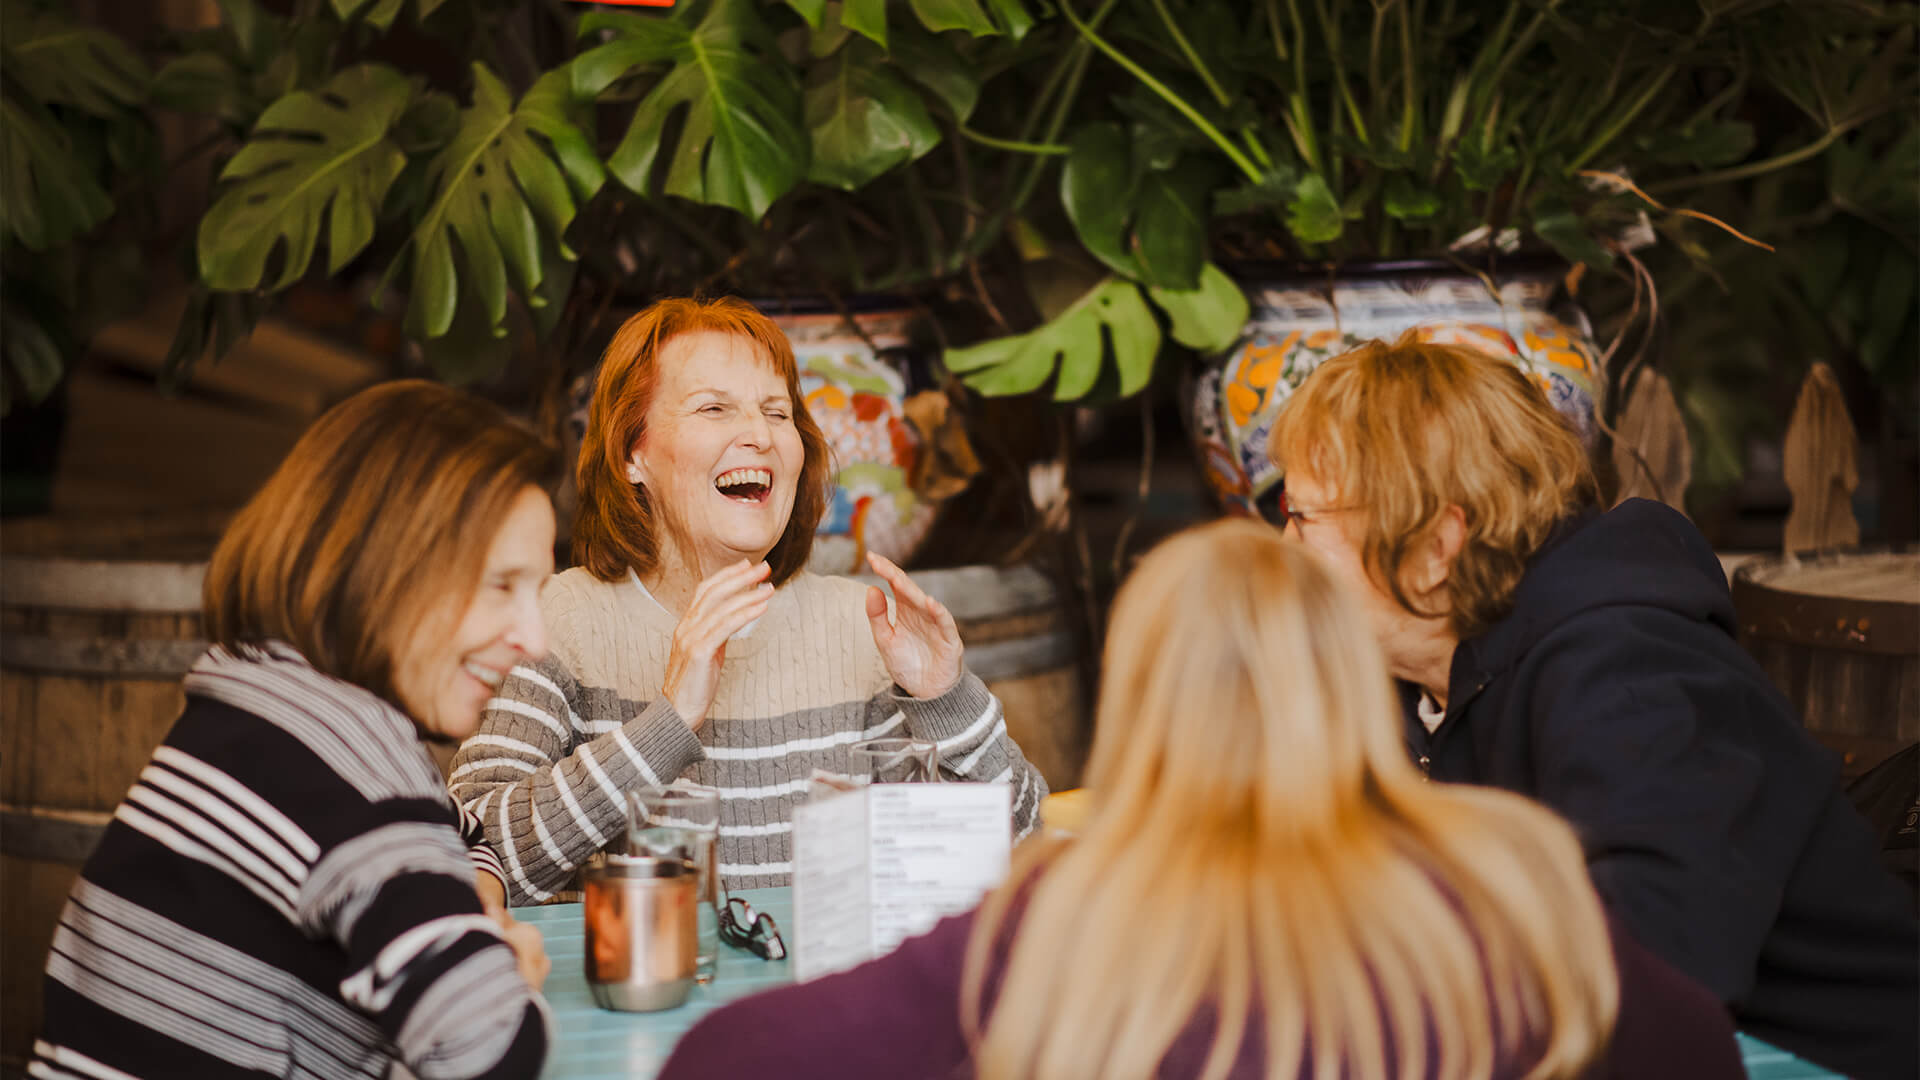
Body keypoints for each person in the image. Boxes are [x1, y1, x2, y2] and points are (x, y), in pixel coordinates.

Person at [655, 521, 1743, 1079]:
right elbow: (1699, 1051)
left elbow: (727, 1062)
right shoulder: (1513, 876)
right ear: (1343, 679)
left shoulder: (1061, 918)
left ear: (1139, 705)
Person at [1267, 331, 1919, 1079]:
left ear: (1436, 545)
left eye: (1302, 517)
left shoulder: (1631, 675)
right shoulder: (1416, 685)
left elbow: (1655, 982)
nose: (1281, 547)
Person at [31, 381, 558, 1079]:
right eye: (501, 585)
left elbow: (453, 825)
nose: (536, 638)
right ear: (385, 565)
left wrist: (469, 906)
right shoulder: (355, 773)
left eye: (539, 590)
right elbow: (494, 1054)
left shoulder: (265, 703)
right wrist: (508, 977)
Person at [449, 296, 1045, 902]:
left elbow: (1019, 858)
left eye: (777, 413)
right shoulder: (559, 620)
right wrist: (668, 724)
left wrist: (949, 704)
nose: (759, 436)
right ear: (633, 454)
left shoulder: (859, 625)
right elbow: (468, 860)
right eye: (714, 408)